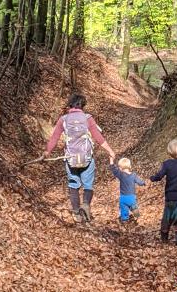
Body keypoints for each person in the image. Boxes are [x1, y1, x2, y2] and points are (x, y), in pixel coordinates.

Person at [44, 93, 115, 223]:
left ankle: (76, 213)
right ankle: (86, 204)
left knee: (73, 185)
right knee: (88, 184)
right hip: (87, 158)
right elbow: (98, 137)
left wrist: (47, 152)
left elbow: (54, 137)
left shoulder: (63, 119)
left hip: (71, 159)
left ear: (70, 105)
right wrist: (110, 151)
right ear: (83, 105)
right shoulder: (87, 118)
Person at [150, 138, 177, 244]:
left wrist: (152, 178)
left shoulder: (167, 164)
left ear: (169, 151)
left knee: (168, 216)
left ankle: (164, 234)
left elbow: (159, 176)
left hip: (170, 196)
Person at [109, 156, 146, 224]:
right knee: (134, 207)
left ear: (120, 168)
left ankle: (124, 221)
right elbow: (140, 182)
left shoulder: (121, 174)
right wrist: (143, 183)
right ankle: (137, 216)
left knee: (124, 210)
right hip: (132, 198)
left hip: (123, 198)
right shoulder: (134, 175)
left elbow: (114, 169)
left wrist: (111, 161)